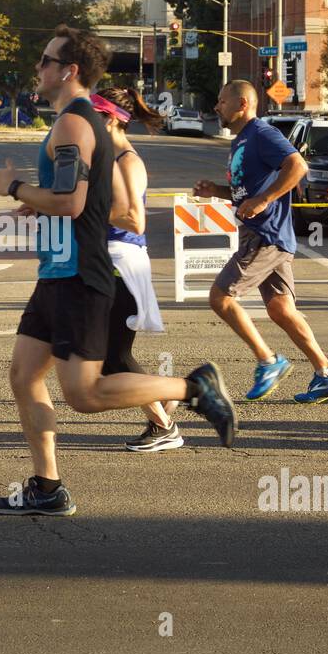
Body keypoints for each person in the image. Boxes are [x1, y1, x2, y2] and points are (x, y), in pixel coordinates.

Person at [0, 26, 237, 517]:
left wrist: (14, 187)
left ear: (68, 70)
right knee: (23, 375)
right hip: (58, 272)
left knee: (85, 394)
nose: (37, 69)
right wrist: (38, 202)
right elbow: (76, 197)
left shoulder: (76, 123)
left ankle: (193, 388)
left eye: (45, 60)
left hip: (82, 275)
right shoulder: (76, 123)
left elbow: (70, 201)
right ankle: (47, 487)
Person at [197, 80, 328, 404]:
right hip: (272, 237)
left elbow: (297, 166)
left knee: (220, 297)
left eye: (221, 101)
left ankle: (269, 361)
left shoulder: (261, 133)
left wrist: (265, 200)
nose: (216, 107)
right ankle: (327, 373)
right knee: (281, 310)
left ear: (241, 104)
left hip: (265, 236)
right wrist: (217, 191)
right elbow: (246, 192)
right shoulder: (241, 140)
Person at [94, 86, 182, 453]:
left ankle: (167, 422)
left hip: (122, 267)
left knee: (114, 359)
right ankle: (168, 399)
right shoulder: (106, 159)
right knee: (107, 357)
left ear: (111, 119)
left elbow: (135, 220)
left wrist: (81, 208)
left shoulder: (127, 161)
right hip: (105, 264)